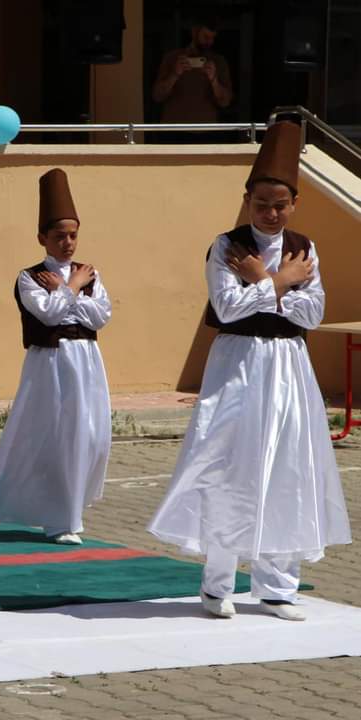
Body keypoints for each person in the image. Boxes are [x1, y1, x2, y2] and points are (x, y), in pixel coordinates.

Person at [148, 121, 352, 621]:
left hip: (288, 365)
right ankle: (217, 584)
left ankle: (279, 586)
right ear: (248, 200)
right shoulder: (227, 246)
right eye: (262, 204)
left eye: (280, 204)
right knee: (228, 463)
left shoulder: (305, 248)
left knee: (286, 465)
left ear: (294, 204)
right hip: (237, 362)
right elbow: (228, 307)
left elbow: (313, 313)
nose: (271, 213)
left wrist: (265, 283)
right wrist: (281, 282)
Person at [0, 169, 112, 544]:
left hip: (86, 359)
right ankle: (60, 519)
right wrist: (72, 290)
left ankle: (73, 508)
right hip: (50, 362)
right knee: (55, 434)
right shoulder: (29, 277)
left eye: (72, 235)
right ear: (42, 238)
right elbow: (48, 314)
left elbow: (101, 315)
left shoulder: (90, 274)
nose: (67, 243)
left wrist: (70, 291)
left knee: (91, 433)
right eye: (59, 236)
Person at [151, 17, 233, 140]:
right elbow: (157, 96)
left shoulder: (218, 62)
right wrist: (175, 74)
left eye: (213, 38)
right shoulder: (172, 58)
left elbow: (225, 102)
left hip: (207, 133)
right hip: (173, 132)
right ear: (194, 32)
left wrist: (214, 80)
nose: (210, 42)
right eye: (206, 37)